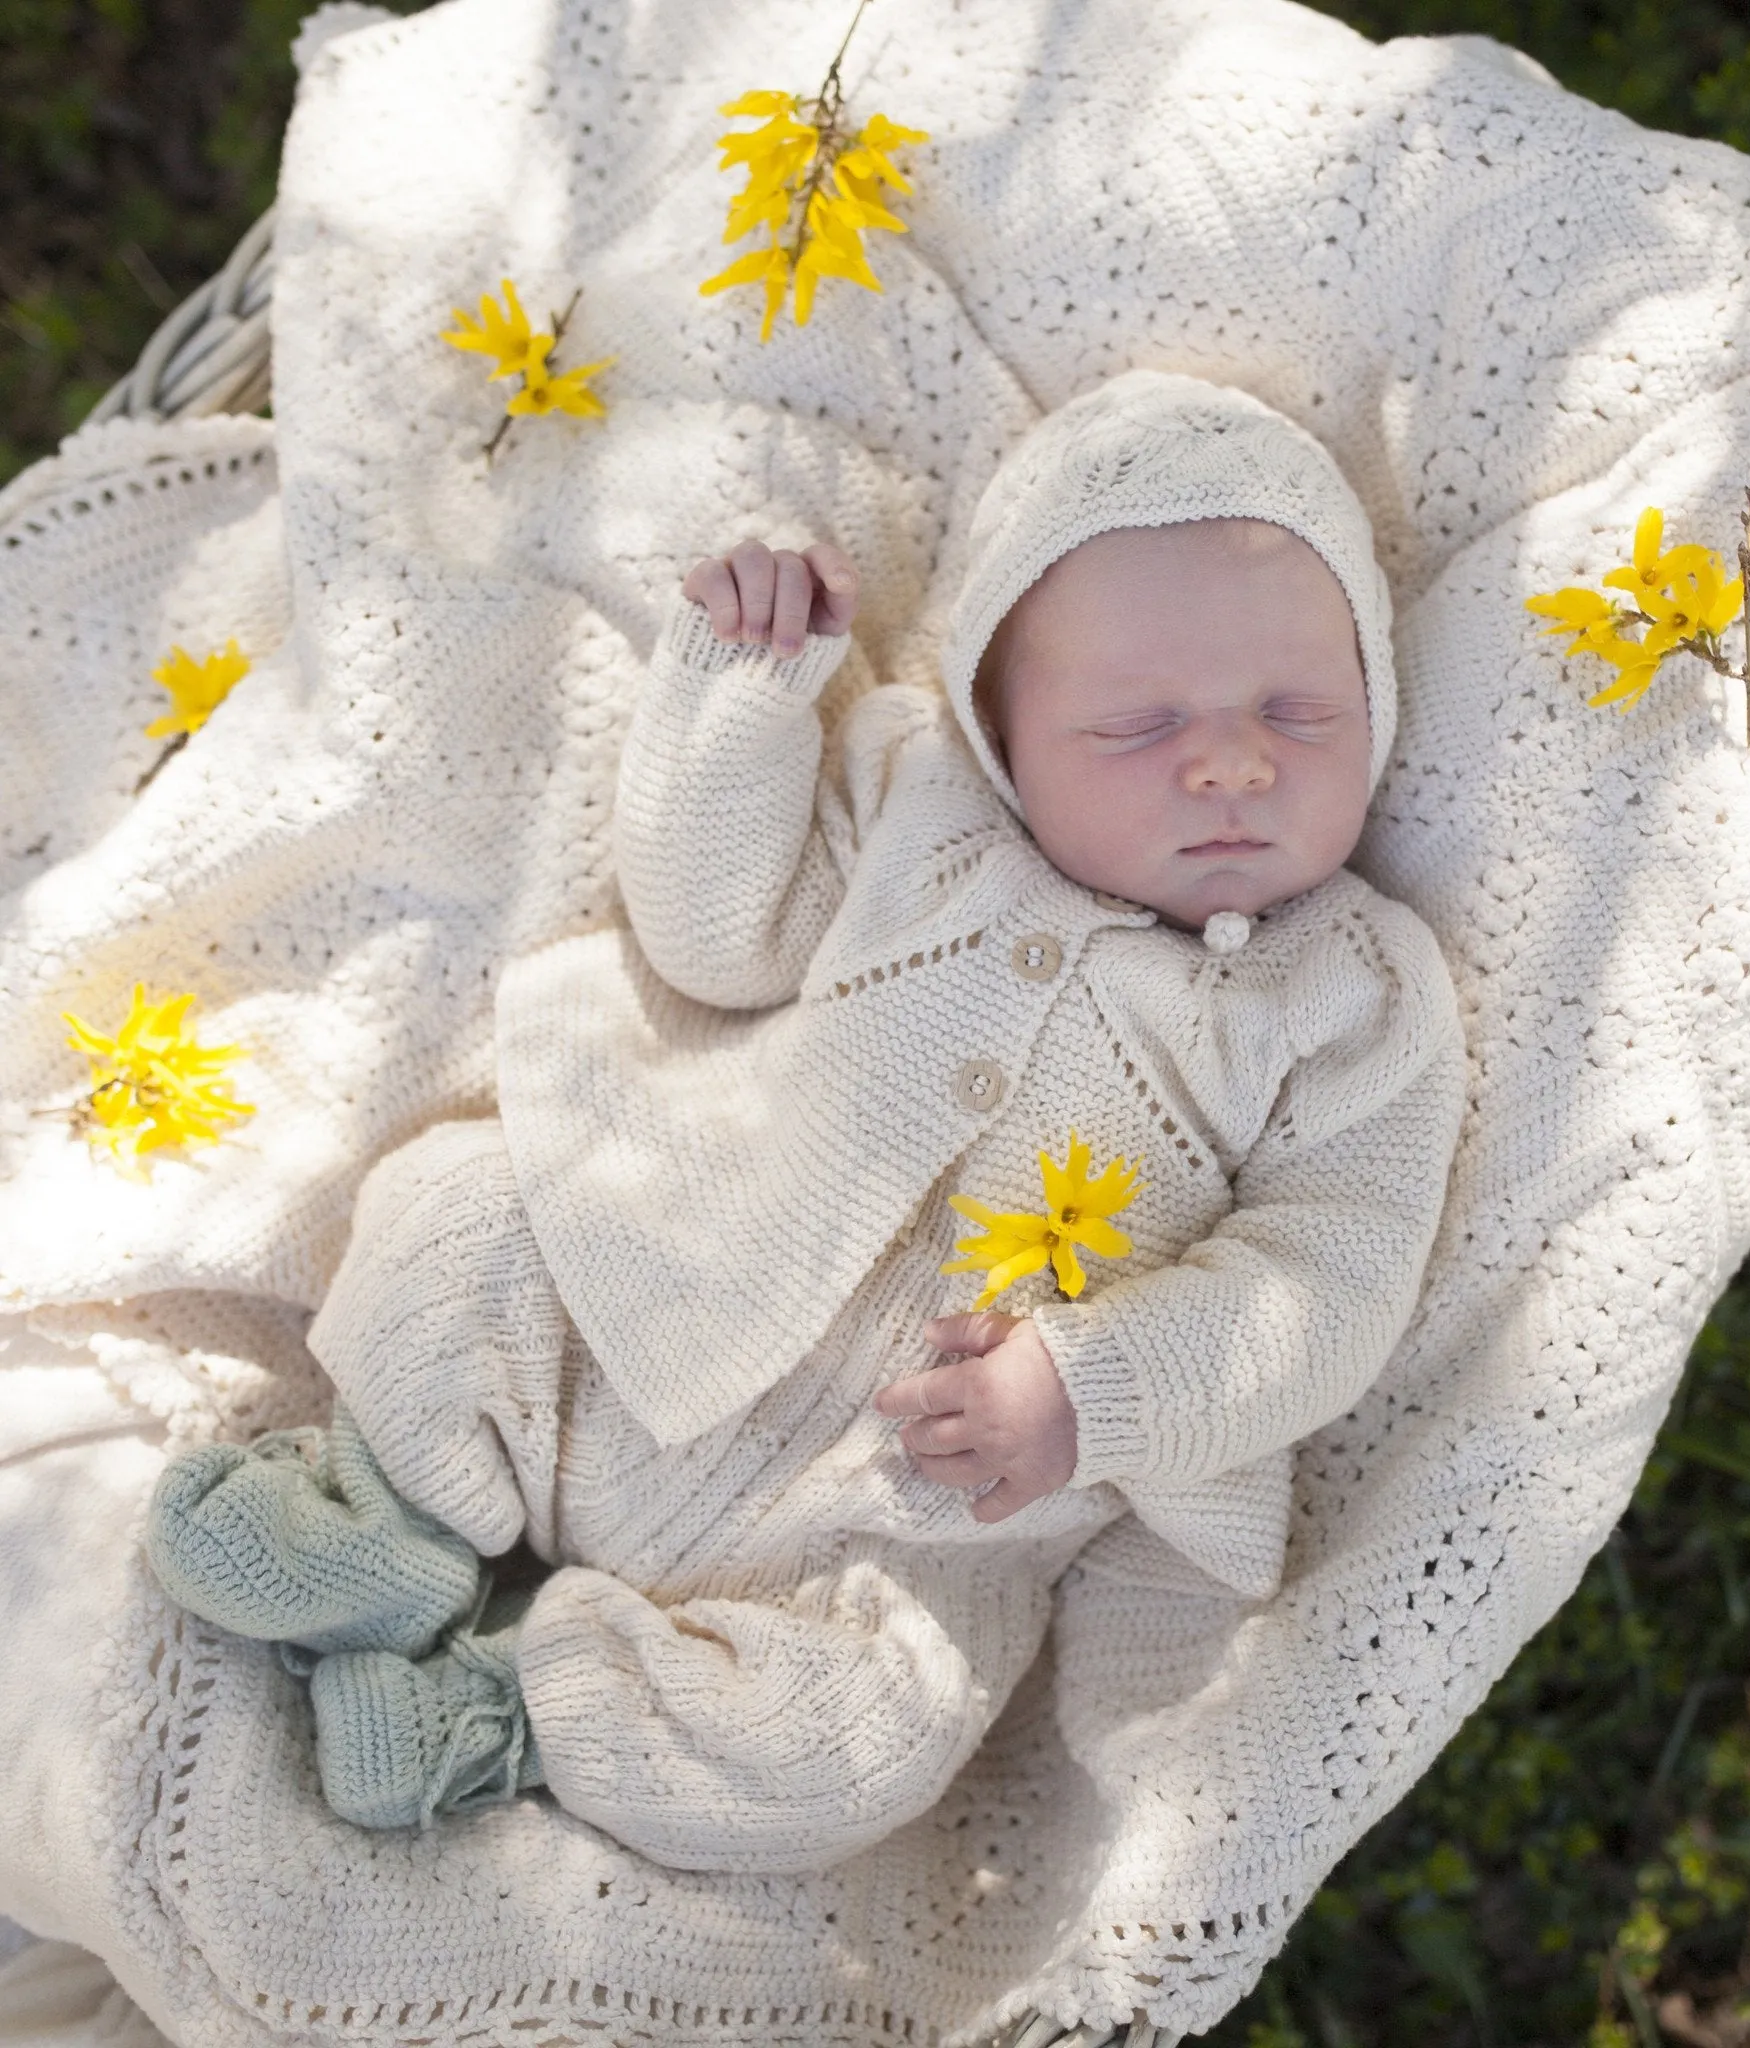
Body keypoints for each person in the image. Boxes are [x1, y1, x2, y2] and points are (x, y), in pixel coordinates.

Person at [143, 371, 1465, 1875]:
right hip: (650, 1294)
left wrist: (1091, 1393)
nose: (1231, 762)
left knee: (868, 1746)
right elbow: (715, 935)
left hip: (912, 1512)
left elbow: (1335, 1271)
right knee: (456, 1216)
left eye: (1300, 713)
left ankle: (502, 1709)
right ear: (1003, 734)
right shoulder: (918, 800)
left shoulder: (1352, 993)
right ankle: (386, 1523)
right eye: (1136, 725)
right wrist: (740, 692)